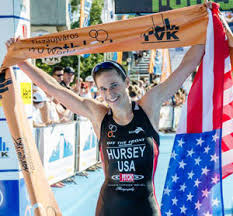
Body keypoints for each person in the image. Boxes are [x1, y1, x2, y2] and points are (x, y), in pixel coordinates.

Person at [6, 37, 204, 215]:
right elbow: (55, 89)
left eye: (114, 85)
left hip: (144, 208)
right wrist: (22, 61)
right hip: (109, 208)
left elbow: (184, 68)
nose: (110, 93)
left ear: (126, 82)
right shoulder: (99, 115)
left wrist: (206, 32)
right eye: (103, 88)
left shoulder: (148, 107)